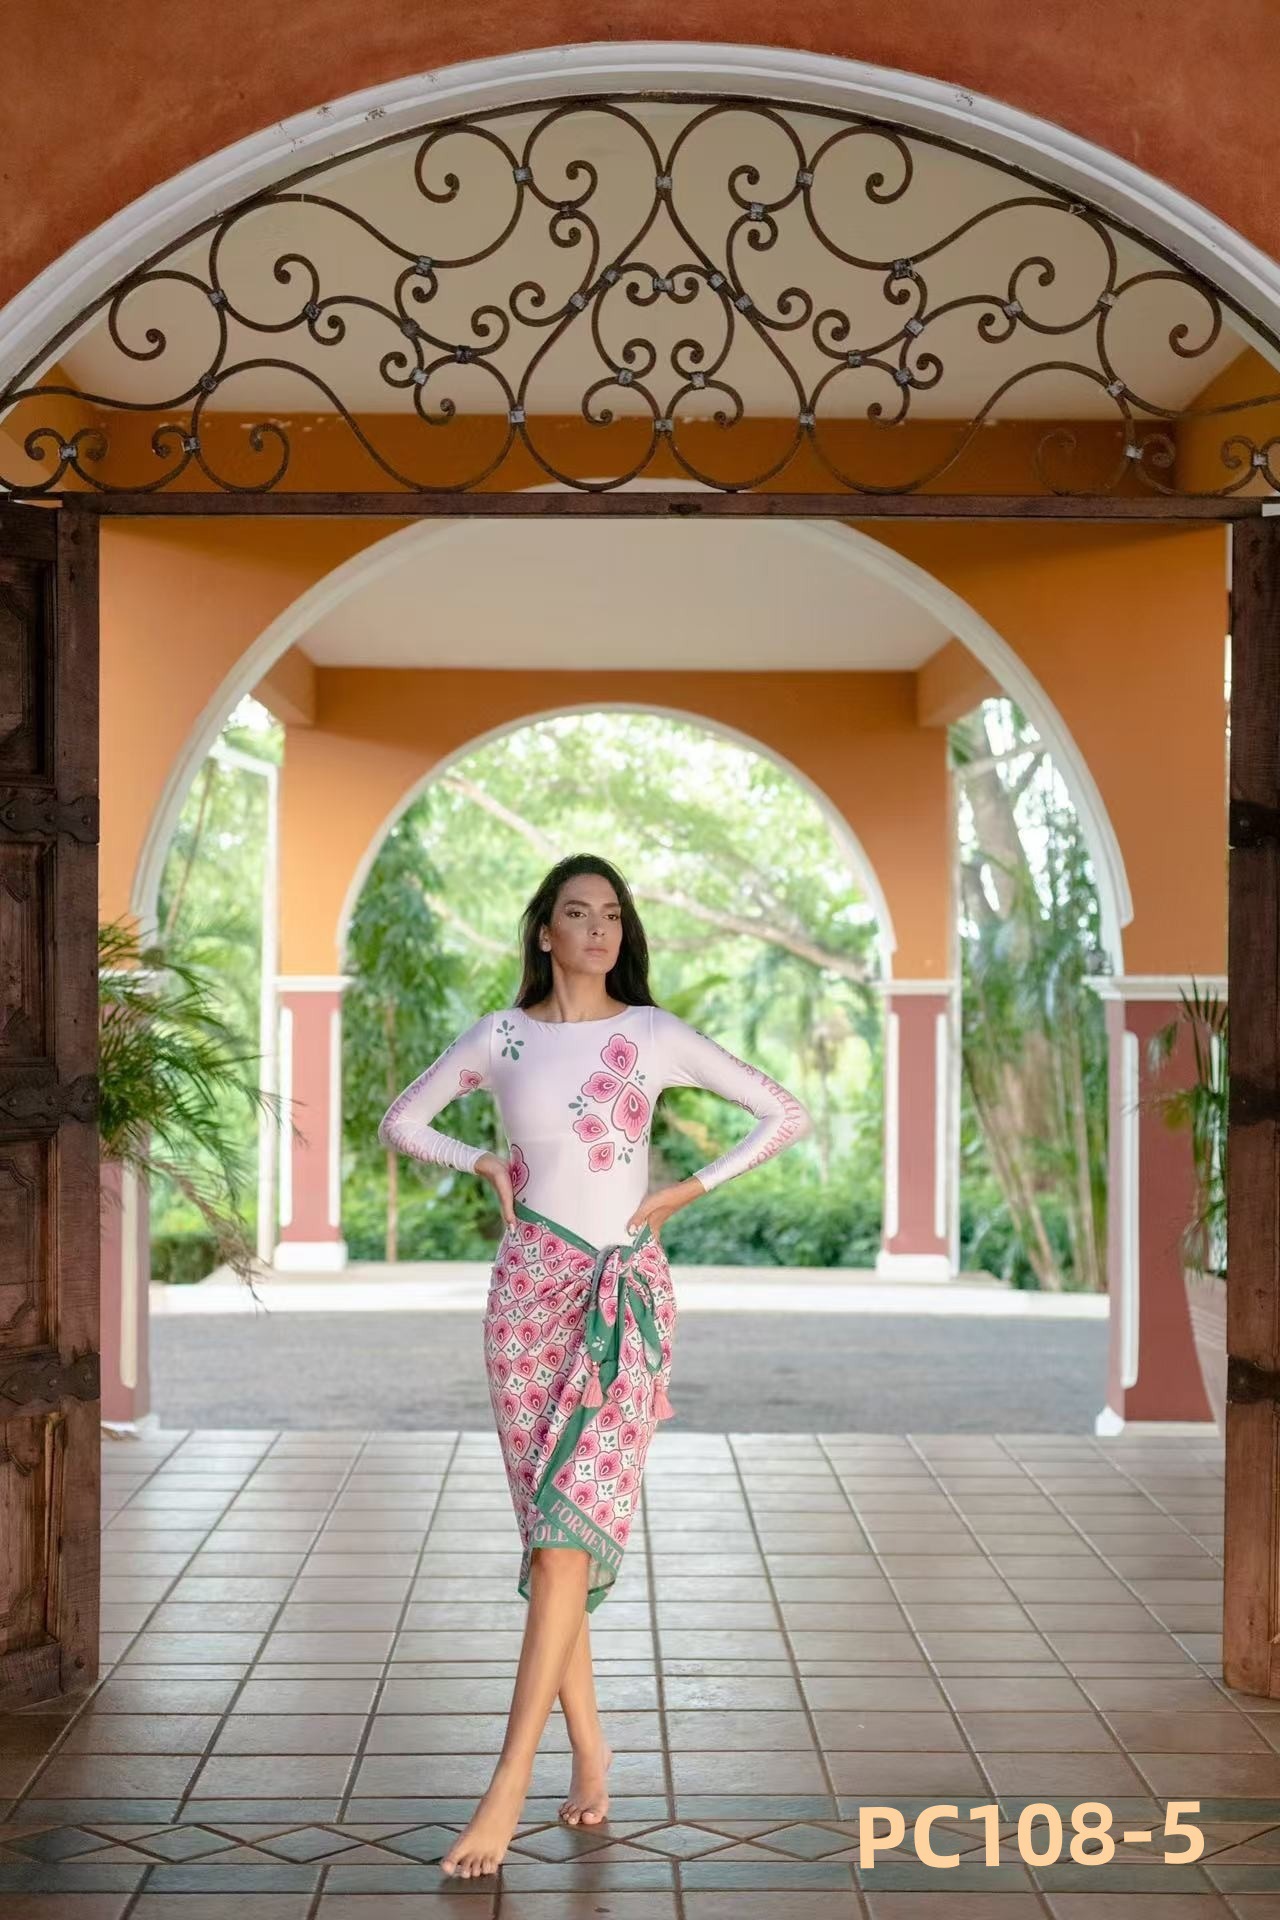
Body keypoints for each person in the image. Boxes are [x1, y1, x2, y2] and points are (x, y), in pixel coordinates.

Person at [377, 852, 813, 1879]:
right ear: (545, 931)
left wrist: (686, 1189)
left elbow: (784, 1113)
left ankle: (506, 1786)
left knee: (566, 1540)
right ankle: (590, 1748)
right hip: (525, 1293)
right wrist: (479, 1160)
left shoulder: (650, 1034)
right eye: (578, 913)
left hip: (623, 1301)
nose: (599, 929)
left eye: (611, 913)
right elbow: (402, 1121)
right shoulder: (502, 1037)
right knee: (550, 1543)